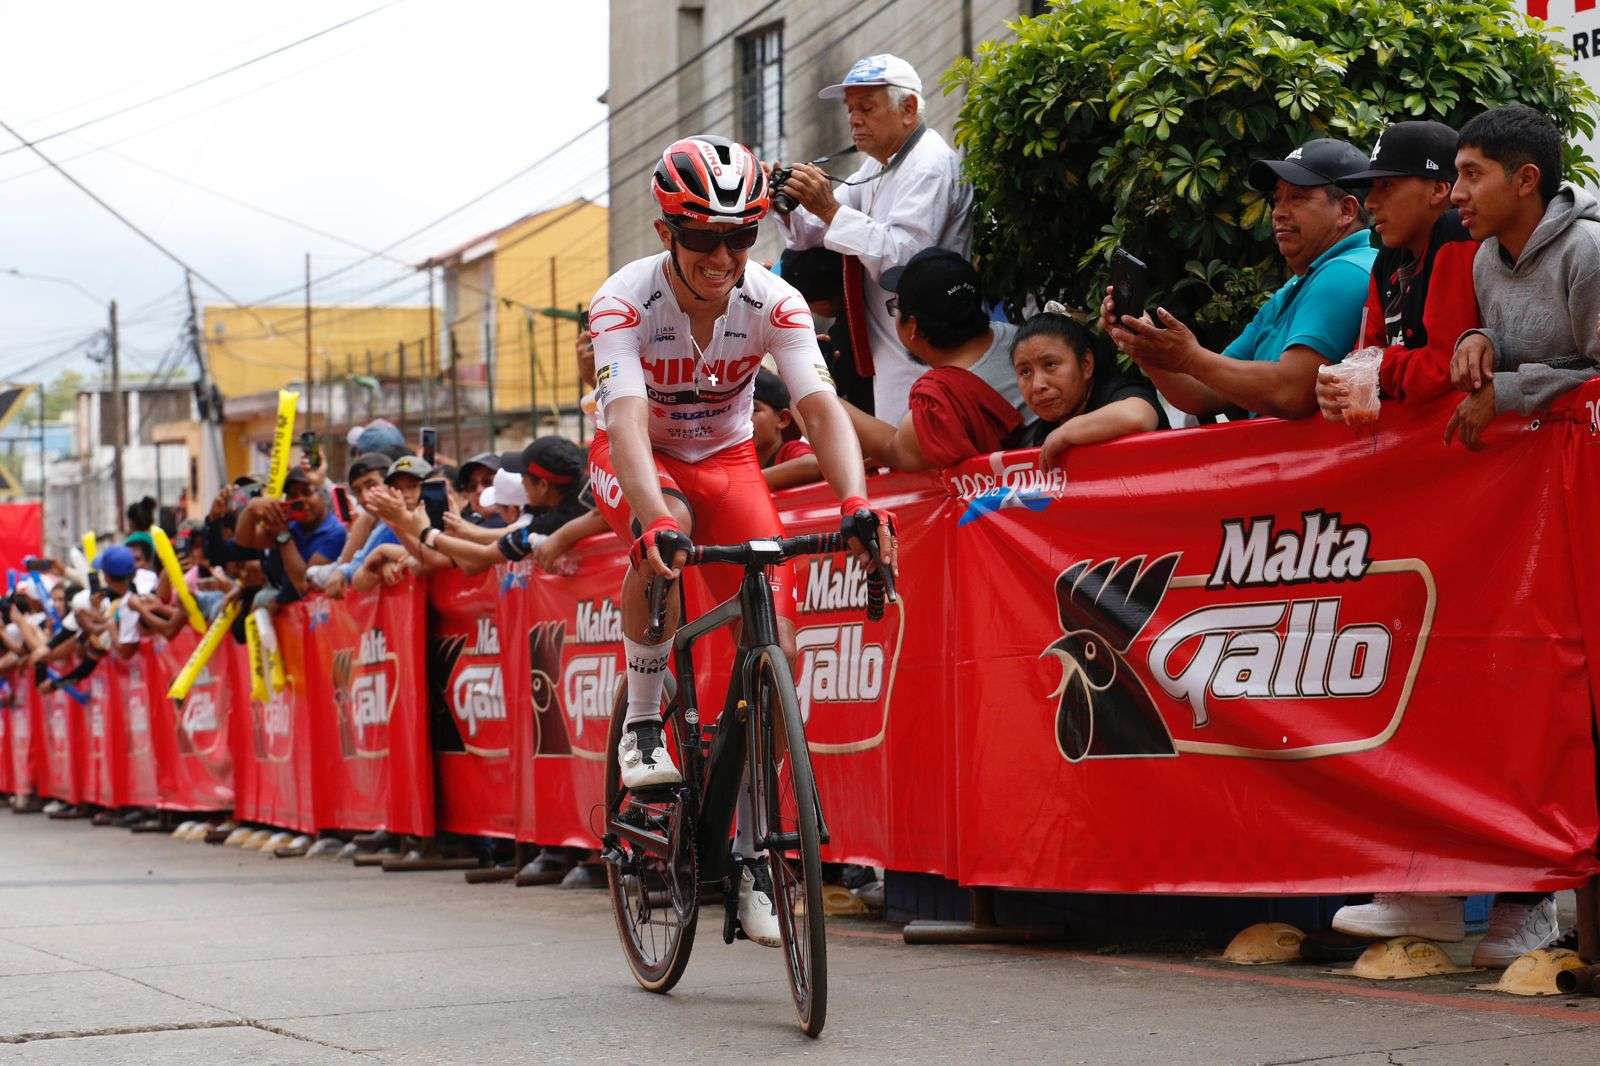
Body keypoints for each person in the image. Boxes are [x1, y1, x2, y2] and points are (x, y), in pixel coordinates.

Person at [587, 133, 891, 948]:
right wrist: (651, 517)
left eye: (739, 235)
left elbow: (820, 409)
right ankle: (645, 722)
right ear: (665, 234)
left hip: (724, 458)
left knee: (777, 646)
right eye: (702, 236)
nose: (723, 254)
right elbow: (622, 422)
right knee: (671, 530)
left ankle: (756, 856)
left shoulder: (774, 300)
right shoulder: (622, 300)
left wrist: (857, 501)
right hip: (641, 455)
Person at [1106, 137, 1377, 420]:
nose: (1279, 212)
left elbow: (1291, 393)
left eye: (1297, 197)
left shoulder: (1347, 271)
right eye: (1277, 199)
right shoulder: (1295, 287)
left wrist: (1190, 358)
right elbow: (1203, 392)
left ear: (1346, 210)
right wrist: (1144, 346)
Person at [774, 53, 973, 424]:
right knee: (899, 449)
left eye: (866, 108)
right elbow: (814, 233)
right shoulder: (880, 164)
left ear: (909, 109)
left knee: (921, 448)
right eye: (850, 109)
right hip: (891, 339)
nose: (853, 119)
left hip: (927, 337)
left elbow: (904, 260)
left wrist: (829, 209)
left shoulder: (929, 163)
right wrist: (787, 204)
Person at [1445, 103, 1600, 450]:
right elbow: (1532, 350)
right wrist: (1483, 342)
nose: (1456, 194)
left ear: (1526, 180)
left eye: (1473, 174)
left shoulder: (1588, 250)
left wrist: (1508, 391)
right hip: (1535, 477)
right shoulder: (1486, 256)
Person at [1316, 120, 1479, 420]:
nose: (1371, 202)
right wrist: (1335, 389)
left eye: (1387, 185)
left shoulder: (1458, 235)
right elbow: (1361, 359)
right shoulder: (1388, 258)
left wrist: (1376, 368)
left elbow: (1443, 369)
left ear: (1439, 189)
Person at [839, 248, 1029, 472]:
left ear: (913, 328)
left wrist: (815, 387)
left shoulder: (941, 401)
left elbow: (893, 450)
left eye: (895, 307)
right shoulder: (1024, 339)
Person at [1009, 306, 1165, 468]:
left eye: (1050, 364)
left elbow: (1138, 417)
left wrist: (1067, 432)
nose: (1037, 385)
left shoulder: (1118, 393)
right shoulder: (1046, 431)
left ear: (1086, 364)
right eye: (1025, 372)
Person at [778, 246, 874, 411]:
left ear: (825, 302)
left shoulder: (844, 337)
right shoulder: (874, 304)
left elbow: (838, 388)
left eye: (807, 305)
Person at [233, 466, 346, 598]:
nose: (300, 501)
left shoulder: (336, 532)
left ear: (322, 496)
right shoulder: (291, 524)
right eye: (293, 495)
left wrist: (283, 534)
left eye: (307, 493)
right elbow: (244, 540)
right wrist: (250, 509)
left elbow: (304, 585)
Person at [751, 369, 822, 490]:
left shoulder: (790, 450)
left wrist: (744, 484)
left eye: (753, 410)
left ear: (782, 419)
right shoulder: (730, 461)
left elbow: (813, 465)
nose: (740, 421)